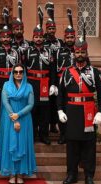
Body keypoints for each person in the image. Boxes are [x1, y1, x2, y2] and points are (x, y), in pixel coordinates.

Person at [57, 22, 101, 184]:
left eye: (82, 52)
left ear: (86, 52)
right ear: (74, 53)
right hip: (71, 112)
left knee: (88, 147)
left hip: (88, 113)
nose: (79, 54)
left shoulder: (94, 72)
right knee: (72, 147)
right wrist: (60, 110)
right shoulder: (67, 72)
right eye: (77, 52)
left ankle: (89, 176)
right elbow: (61, 94)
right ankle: (71, 174)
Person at [0, 64, 36, 184]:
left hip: (24, 118)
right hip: (9, 118)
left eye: (21, 71)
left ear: (24, 73)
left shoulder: (29, 86)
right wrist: (14, 117)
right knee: (10, 144)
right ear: (12, 73)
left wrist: (18, 115)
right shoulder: (6, 85)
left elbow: (30, 104)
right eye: (16, 72)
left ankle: (20, 174)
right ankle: (12, 174)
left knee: (22, 144)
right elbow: (5, 102)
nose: (18, 74)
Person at [24, 7, 56, 145]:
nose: (38, 39)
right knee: (32, 109)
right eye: (36, 36)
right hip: (31, 83)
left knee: (44, 110)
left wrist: (53, 84)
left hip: (45, 83)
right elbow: (23, 69)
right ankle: (33, 134)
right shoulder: (27, 51)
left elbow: (53, 69)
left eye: (40, 37)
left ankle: (44, 135)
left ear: (43, 37)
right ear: (33, 37)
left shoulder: (49, 52)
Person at [53, 8, 76, 144]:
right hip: (62, 85)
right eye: (67, 37)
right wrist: (54, 84)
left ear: (74, 37)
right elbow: (54, 69)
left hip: (75, 84)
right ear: (64, 37)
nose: (69, 39)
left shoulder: (81, 51)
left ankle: (71, 133)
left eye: (71, 37)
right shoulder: (58, 51)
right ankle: (63, 134)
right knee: (61, 108)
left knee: (73, 110)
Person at [43, 2, 64, 134]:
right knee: (47, 102)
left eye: (53, 29)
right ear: (46, 29)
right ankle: (45, 125)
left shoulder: (60, 43)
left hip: (56, 74)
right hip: (45, 74)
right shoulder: (41, 41)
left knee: (56, 100)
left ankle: (54, 124)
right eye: (49, 29)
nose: (51, 31)